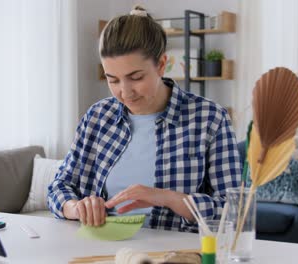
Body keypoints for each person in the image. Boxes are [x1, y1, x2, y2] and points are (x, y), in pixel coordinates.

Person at [47, 6, 241, 232]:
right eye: (113, 80)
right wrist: (75, 207)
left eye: (136, 77)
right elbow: (59, 187)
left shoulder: (210, 119)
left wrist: (167, 198)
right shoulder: (97, 117)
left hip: (175, 254)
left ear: (161, 65)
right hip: (102, 248)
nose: (125, 92)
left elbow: (235, 211)